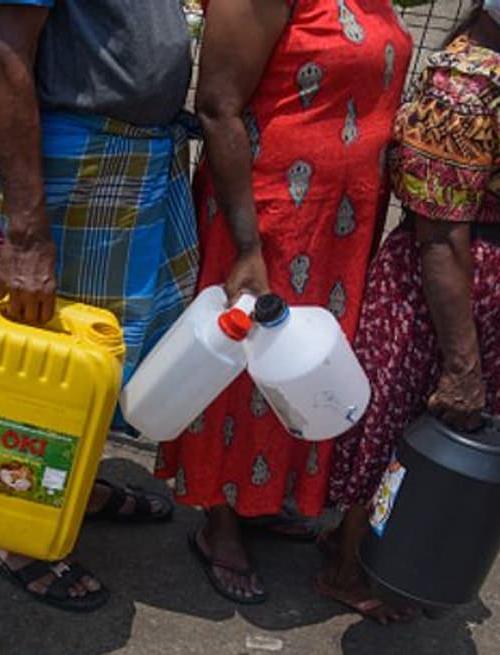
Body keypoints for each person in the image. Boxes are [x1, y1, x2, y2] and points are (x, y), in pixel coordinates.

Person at [327, 0, 500, 622]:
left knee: (469, 434)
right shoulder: (459, 86)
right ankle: (346, 562)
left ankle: (403, 550)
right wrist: (462, 363)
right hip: (448, 282)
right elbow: (439, 236)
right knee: (402, 421)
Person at [153, 0, 412, 605]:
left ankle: (259, 500)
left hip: (336, 225)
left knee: (297, 367)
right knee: (245, 365)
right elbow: (218, 106)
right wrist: (247, 245)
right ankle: (219, 521)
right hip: (268, 215)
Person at [0, 0, 198, 611]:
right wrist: (26, 236)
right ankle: (17, 537)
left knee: (105, 357)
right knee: (48, 358)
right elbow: (6, 56)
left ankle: (76, 487)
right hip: (78, 164)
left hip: (137, 160)